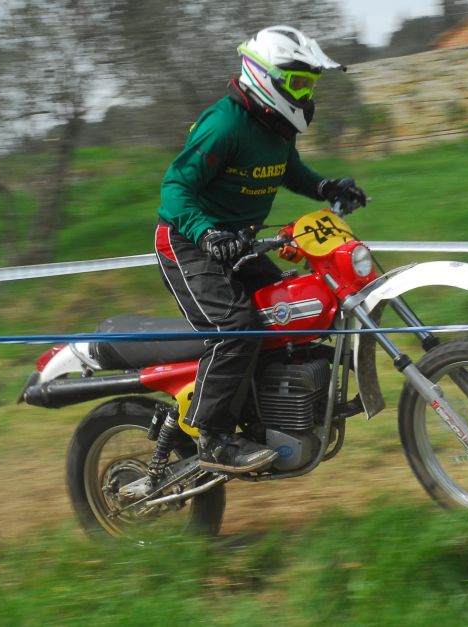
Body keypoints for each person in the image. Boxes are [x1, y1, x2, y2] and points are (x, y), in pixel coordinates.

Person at [154, 26, 367, 473]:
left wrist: (325, 187)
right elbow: (175, 188)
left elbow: (288, 169)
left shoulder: (275, 127)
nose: (306, 94)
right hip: (188, 243)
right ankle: (211, 436)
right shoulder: (226, 124)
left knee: (287, 312)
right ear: (265, 77)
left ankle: (269, 416)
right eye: (299, 83)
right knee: (237, 327)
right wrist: (208, 234)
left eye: (310, 84)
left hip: (237, 242)